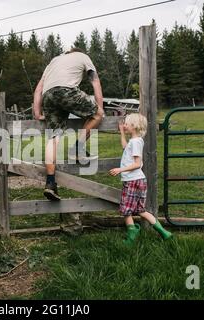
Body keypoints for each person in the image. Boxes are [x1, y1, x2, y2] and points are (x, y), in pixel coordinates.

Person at [33, 48, 104, 201]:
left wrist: (37, 112)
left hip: (48, 96)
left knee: (53, 137)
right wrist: (100, 108)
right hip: (66, 91)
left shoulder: (53, 62)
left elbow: (38, 89)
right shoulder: (83, 56)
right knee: (98, 114)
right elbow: (95, 81)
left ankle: (50, 184)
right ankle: (77, 148)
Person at [109, 113, 173, 245]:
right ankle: (164, 233)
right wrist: (121, 132)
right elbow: (124, 147)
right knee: (140, 210)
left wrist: (119, 170)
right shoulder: (134, 141)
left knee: (126, 210)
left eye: (126, 124)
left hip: (133, 181)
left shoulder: (136, 142)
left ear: (134, 126)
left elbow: (138, 164)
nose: (125, 125)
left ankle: (132, 235)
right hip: (137, 181)